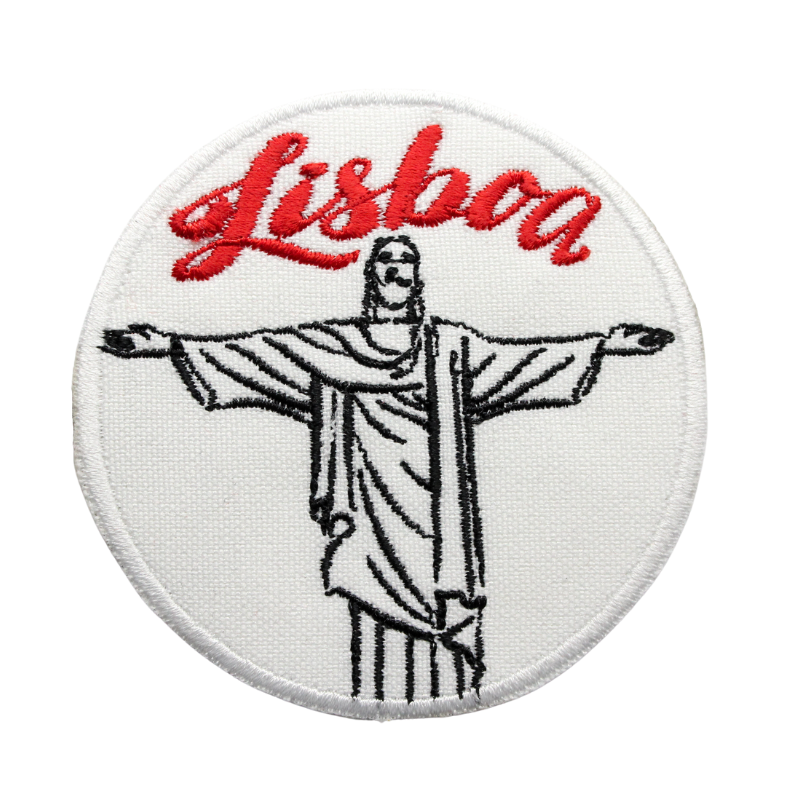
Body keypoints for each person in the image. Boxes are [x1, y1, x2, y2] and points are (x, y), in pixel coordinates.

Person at [102, 235, 674, 702]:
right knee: (375, 622)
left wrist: (605, 346)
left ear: (418, 279)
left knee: (441, 624)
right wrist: (167, 346)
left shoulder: (449, 349)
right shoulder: (333, 348)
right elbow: (259, 355)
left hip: (441, 514)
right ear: (371, 275)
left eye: (406, 262)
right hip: (370, 514)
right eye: (385, 261)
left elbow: (519, 362)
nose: (396, 269)